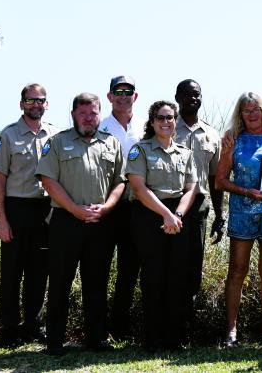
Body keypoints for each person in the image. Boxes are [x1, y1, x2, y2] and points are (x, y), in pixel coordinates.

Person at [35, 93, 125, 356]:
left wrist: (107, 207)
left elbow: (120, 180)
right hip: (66, 221)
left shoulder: (112, 144)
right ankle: (55, 341)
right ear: (73, 114)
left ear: (100, 114)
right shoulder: (58, 142)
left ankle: (96, 338)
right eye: (83, 113)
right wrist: (74, 209)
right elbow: (48, 180)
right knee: (60, 281)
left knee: (96, 282)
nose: (89, 118)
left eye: (93, 113)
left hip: (100, 221)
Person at [214, 92, 262, 348]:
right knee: (237, 271)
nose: (252, 114)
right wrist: (247, 192)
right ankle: (231, 332)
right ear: (240, 115)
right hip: (243, 213)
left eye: (256, 109)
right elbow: (219, 181)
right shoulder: (233, 140)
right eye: (247, 111)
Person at [126, 100, 198, 352]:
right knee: (153, 276)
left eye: (169, 117)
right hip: (149, 216)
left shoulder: (185, 153)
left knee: (177, 276)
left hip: (179, 216)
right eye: (160, 117)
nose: (165, 122)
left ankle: (174, 338)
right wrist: (166, 214)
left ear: (175, 121)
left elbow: (192, 188)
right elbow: (138, 187)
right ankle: (153, 339)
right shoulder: (141, 150)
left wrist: (176, 214)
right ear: (152, 121)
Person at [0, 83, 58, 346]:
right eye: (30, 101)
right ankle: (9, 329)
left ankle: (34, 326)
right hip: (16, 209)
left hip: (45, 210)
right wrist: (1, 220)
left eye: (40, 100)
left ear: (47, 104)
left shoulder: (55, 134)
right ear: (21, 104)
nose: (36, 105)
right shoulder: (8, 135)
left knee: (38, 272)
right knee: (11, 274)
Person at [173, 79, 225, 330]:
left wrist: (220, 215)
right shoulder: (166, 127)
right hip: (169, 204)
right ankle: (163, 327)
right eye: (187, 94)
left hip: (200, 207)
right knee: (167, 265)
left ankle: (185, 327)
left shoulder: (212, 134)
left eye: (197, 94)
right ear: (177, 97)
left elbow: (215, 178)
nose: (193, 98)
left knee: (193, 266)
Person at [99, 75, 143, 341]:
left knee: (130, 269)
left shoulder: (146, 126)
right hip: (107, 206)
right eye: (118, 91)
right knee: (100, 268)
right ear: (110, 96)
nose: (123, 95)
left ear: (135, 96)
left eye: (129, 91)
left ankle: (120, 328)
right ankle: (98, 328)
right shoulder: (100, 127)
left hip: (137, 207)